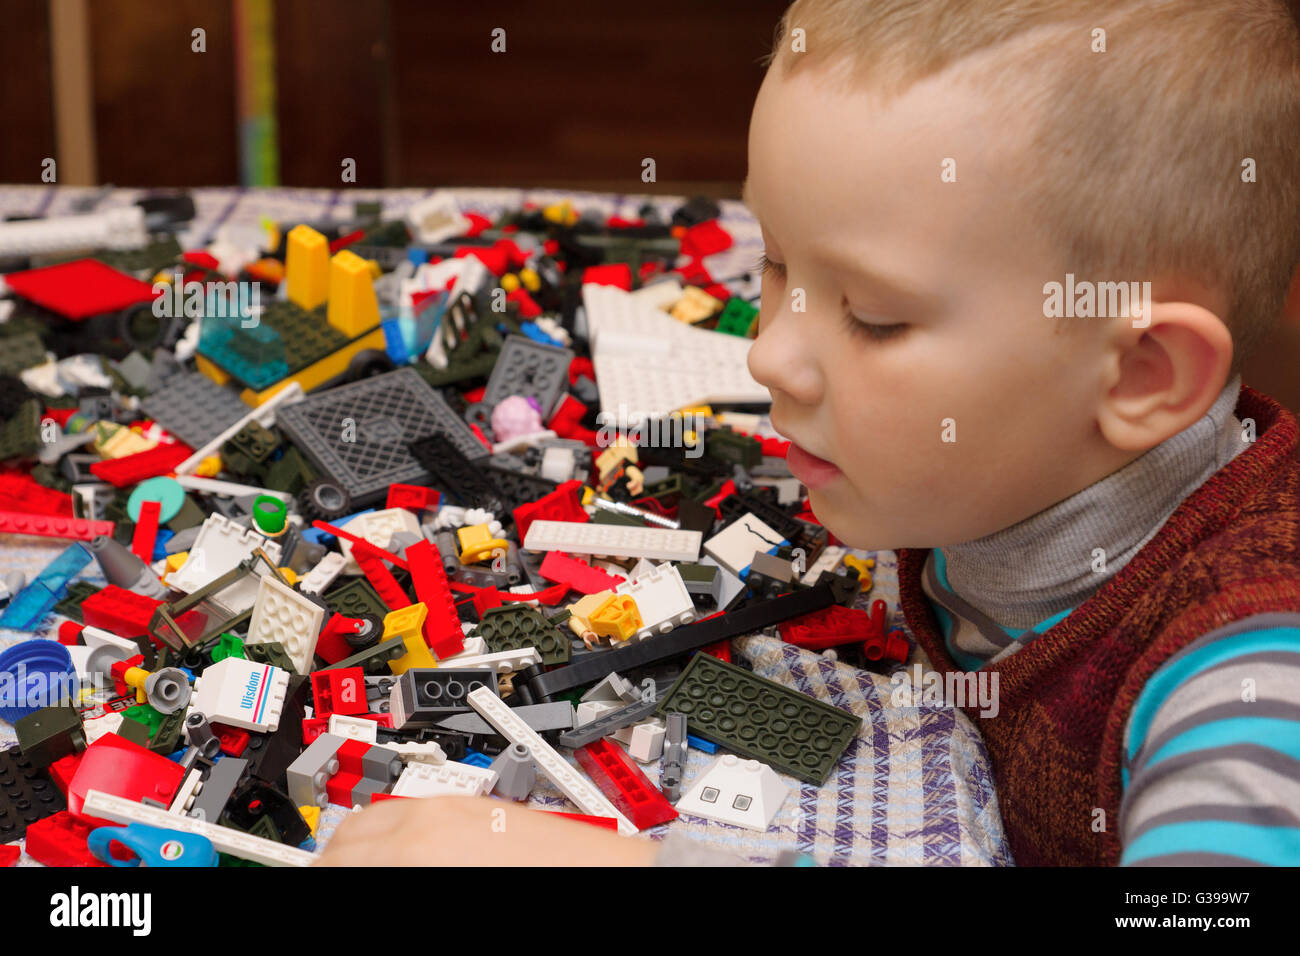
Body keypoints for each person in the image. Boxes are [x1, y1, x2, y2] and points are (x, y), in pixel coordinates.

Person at [317, 0, 1300, 867]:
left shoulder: (1248, 676)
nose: (770, 355)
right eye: (778, 263)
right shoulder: (998, 467)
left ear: (1140, 374)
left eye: (873, 314)